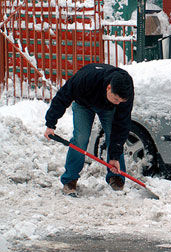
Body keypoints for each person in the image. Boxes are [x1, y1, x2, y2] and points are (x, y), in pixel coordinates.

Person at [44, 63, 134, 196]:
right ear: (109, 87)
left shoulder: (125, 91)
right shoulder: (85, 79)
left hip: (108, 109)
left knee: (113, 136)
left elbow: (121, 125)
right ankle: (70, 179)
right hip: (83, 104)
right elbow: (63, 97)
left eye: (121, 101)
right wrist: (50, 124)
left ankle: (116, 177)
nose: (118, 103)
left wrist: (114, 156)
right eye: (116, 99)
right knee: (80, 138)